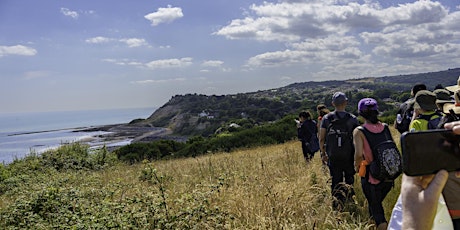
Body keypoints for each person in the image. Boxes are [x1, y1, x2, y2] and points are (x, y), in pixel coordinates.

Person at [353, 98, 394, 230]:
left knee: (377, 211)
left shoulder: (359, 131)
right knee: (374, 205)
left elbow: (359, 154)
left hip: (372, 175)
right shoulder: (385, 127)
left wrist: (357, 166)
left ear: (360, 113)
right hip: (388, 175)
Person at [319, 92, 359, 210]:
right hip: (349, 155)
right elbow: (358, 139)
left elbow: (321, 138)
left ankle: (337, 205)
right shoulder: (352, 119)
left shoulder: (327, 119)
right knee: (349, 179)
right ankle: (350, 201)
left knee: (336, 180)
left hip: (333, 155)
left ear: (333, 104)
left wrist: (323, 153)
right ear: (345, 102)